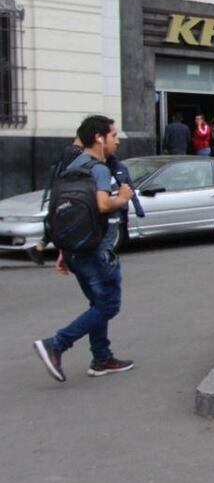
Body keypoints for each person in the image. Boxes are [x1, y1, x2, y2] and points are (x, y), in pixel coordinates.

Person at [33, 115, 135, 382]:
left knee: (97, 303)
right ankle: (56, 344)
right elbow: (102, 205)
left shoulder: (72, 166)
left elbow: (64, 212)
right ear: (99, 138)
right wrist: (122, 198)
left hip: (76, 249)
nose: (117, 141)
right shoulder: (99, 169)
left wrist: (63, 249)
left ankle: (102, 358)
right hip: (97, 252)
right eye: (114, 136)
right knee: (109, 305)